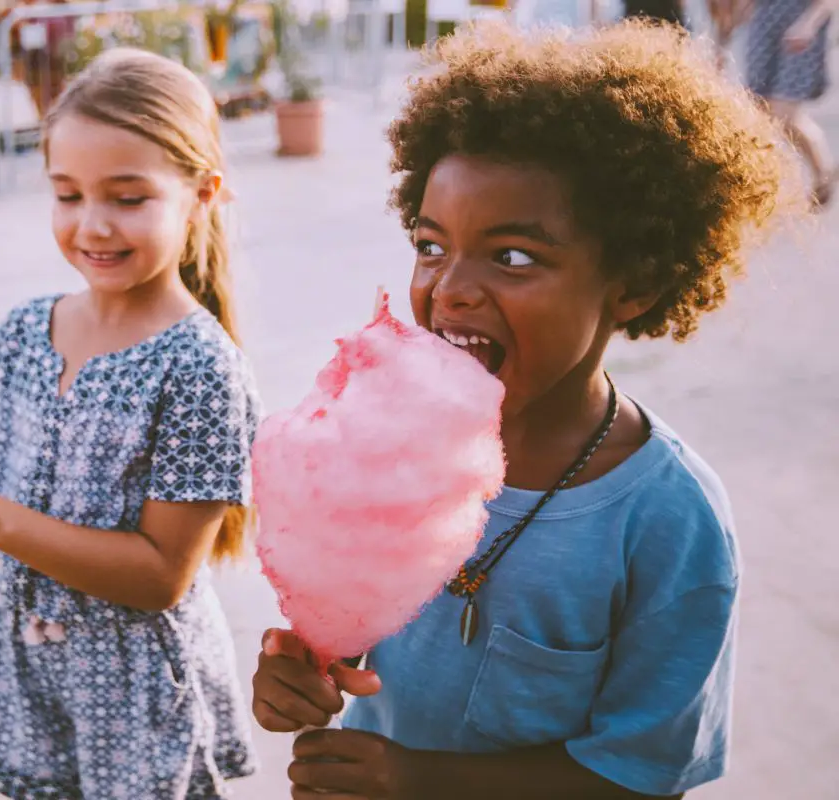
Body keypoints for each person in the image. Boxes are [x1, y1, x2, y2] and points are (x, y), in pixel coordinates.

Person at [250, 21, 797, 799]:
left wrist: (418, 780)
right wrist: (300, 665)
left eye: (513, 257)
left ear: (633, 284)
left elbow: (645, 772)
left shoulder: (669, 522)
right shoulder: (386, 449)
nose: (449, 289)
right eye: (430, 245)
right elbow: (345, 641)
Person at [0, 49, 260, 800]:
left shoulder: (200, 369)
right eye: (67, 193)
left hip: (132, 695)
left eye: (127, 197)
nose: (92, 225)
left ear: (202, 194)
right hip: (29, 677)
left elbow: (160, 577)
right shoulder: (24, 330)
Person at [720, 0, 837, 207]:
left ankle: (761, 184)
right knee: (762, 109)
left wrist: (808, 24)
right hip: (763, 24)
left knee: (782, 112)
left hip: (801, 23)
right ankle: (823, 171)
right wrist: (724, 37)